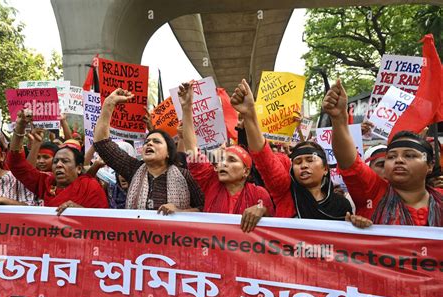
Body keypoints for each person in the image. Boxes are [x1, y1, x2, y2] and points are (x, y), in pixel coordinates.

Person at [323, 79, 442, 226]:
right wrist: (339, 118)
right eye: (391, 157)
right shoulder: (373, 193)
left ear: (430, 166)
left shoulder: (440, 198)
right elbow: (350, 163)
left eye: (409, 155)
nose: (398, 160)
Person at [231, 79, 353, 220]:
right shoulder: (285, 194)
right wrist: (249, 114)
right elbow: (264, 158)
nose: (304, 165)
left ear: (325, 168)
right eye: (298, 162)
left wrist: (359, 224)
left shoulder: (341, 205)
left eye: (310, 160)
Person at [178, 81, 274, 232]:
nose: (223, 163)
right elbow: (193, 152)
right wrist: (186, 108)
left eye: (232, 160)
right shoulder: (211, 182)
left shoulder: (259, 194)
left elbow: (273, 217)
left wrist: (261, 209)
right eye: (222, 159)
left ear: (246, 171)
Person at [93, 88, 204, 215]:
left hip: (173, 234)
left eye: (156, 141)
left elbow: (204, 207)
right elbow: (102, 144)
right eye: (147, 142)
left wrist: (180, 212)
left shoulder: (184, 175)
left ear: (169, 152)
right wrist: (109, 103)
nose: (149, 143)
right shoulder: (133, 169)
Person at [6, 110, 108, 215]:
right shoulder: (47, 183)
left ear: (78, 168)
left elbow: (104, 221)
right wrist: (20, 126)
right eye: (55, 161)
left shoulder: (90, 186)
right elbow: (16, 165)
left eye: (65, 161)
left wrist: (80, 211)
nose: (59, 165)